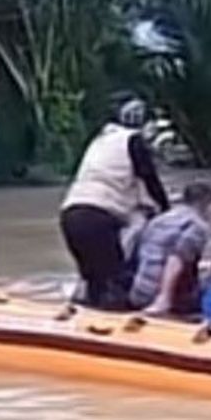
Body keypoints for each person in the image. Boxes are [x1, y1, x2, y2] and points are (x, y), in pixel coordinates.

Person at [60, 97, 170, 310]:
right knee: (115, 282)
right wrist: (166, 210)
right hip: (97, 217)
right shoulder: (132, 140)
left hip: (71, 213)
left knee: (93, 280)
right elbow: (150, 179)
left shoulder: (100, 140)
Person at [129, 182, 211, 316]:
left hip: (139, 290)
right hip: (161, 296)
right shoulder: (197, 225)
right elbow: (176, 258)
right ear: (206, 201)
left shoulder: (158, 220)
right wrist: (164, 297)